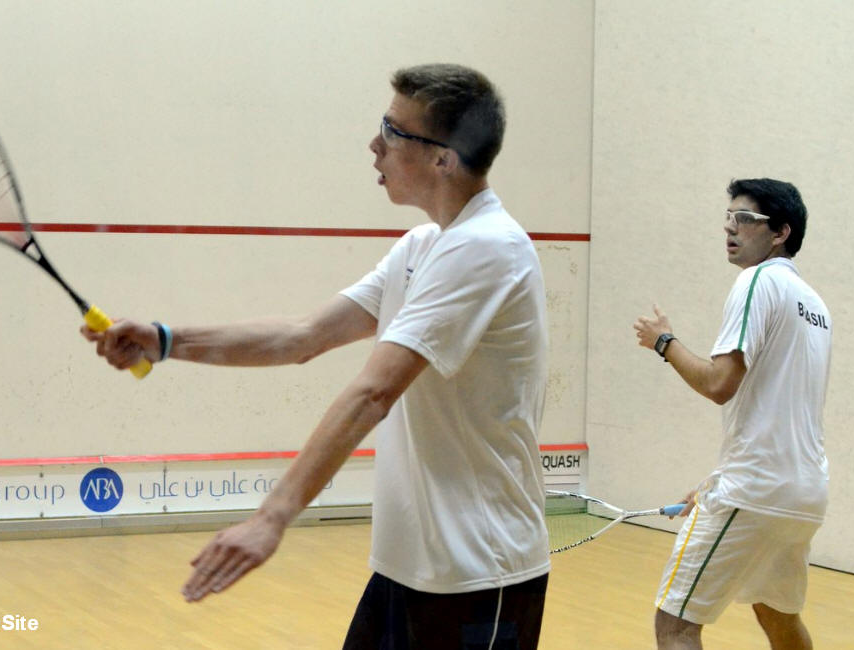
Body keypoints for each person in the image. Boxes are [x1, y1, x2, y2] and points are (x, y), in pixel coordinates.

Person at [83, 63, 552, 649]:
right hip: (409, 571)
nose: (375, 143)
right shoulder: (423, 246)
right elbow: (302, 336)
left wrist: (272, 516)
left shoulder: (487, 249)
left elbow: (374, 392)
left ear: (443, 159)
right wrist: (167, 339)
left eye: (394, 130)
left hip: (478, 574)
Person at [633, 178, 831, 650]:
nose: (730, 227)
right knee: (778, 616)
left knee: (675, 624)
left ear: (780, 232)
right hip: (804, 494)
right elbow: (774, 410)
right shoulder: (815, 305)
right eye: (729, 218)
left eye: (745, 219)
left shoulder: (756, 281)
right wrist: (718, 481)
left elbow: (720, 384)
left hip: (756, 488)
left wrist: (664, 342)